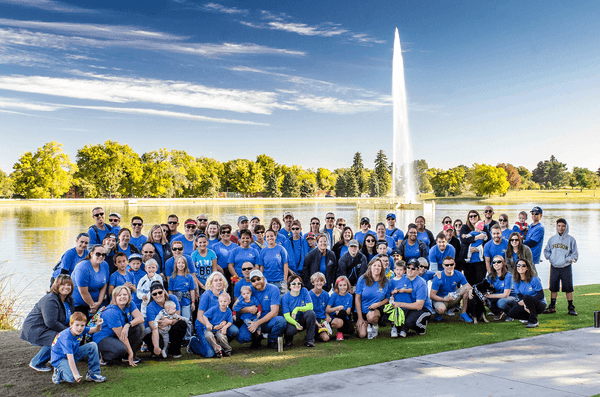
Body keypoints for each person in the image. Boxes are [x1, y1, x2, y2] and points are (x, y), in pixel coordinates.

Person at [21, 275, 75, 372]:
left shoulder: (69, 300)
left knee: (66, 335)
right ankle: (37, 362)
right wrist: (68, 331)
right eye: (62, 284)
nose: (66, 287)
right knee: (58, 337)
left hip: (47, 328)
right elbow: (51, 323)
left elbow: (70, 318)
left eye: (69, 285)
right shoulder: (50, 299)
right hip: (35, 328)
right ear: (56, 285)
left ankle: (54, 356)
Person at [189, 272, 239, 357]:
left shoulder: (224, 295)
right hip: (204, 325)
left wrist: (225, 323)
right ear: (211, 283)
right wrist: (211, 326)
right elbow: (199, 316)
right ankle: (193, 343)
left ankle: (221, 345)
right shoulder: (206, 295)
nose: (219, 282)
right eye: (216, 280)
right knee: (210, 354)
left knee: (234, 331)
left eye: (220, 280)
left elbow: (226, 313)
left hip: (218, 324)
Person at [93, 286, 144, 365]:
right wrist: (131, 353)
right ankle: (104, 356)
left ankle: (126, 356)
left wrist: (128, 325)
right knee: (121, 349)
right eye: (119, 295)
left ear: (129, 296)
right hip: (103, 337)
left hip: (117, 335)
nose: (122, 297)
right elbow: (121, 336)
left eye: (125, 294)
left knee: (140, 327)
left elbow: (140, 318)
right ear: (114, 298)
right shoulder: (112, 312)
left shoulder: (130, 304)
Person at [50, 312, 105, 384]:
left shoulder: (80, 329)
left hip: (73, 352)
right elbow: (70, 359)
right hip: (60, 359)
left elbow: (95, 330)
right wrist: (76, 374)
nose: (79, 328)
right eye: (77, 325)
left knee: (92, 345)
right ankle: (58, 371)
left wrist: (98, 325)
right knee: (72, 379)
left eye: (82, 325)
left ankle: (93, 373)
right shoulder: (66, 338)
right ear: (71, 324)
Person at [237, 270, 287, 349]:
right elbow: (235, 307)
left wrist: (257, 323)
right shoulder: (248, 290)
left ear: (263, 278)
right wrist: (248, 309)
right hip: (252, 320)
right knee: (242, 338)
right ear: (250, 282)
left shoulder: (273, 289)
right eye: (253, 280)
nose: (256, 282)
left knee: (281, 321)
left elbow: (275, 312)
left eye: (258, 279)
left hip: (268, 321)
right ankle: (256, 339)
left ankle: (272, 340)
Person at [543, 218, 579, 316]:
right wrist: (550, 257)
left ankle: (571, 307)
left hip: (565, 267)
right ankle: (552, 307)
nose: (561, 228)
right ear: (556, 226)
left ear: (566, 227)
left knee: (568, 288)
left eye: (563, 226)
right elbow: (546, 251)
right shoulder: (552, 239)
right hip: (554, 266)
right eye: (559, 226)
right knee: (553, 287)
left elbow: (575, 255)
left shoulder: (571, 240)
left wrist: (567, 260)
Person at [144, 281, 187, 358]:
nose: (158, 295)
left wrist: (168, 322)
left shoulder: (173, 298)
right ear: (151, 295)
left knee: (181, 324)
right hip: (157, 331)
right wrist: (156, 346)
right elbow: (153, 327)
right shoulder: (150, 307)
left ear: (164, 291)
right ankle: (155, 349)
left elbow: (177, 317)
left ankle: (174, 350)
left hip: (168, 326)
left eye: (160, 292)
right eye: (154, 294)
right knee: (147, 332)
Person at [391, 258, 432, 337]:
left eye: (413, 268)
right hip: (407, 306)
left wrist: (400, 304)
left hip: (423, 308)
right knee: (397, 317)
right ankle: (400, 328)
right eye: (408, 267)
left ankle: (422, 326)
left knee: (410, 322)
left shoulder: (421, 283)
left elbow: (419, 306)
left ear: (417, 270)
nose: (410, 270)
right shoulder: (401, 277)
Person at [355, 257, 390, 339]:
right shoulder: (362, 279)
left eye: (379, 266)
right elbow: (357, 298)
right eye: (374, 265)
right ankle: (366, 325)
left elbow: (387, 298)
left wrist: (378, 304)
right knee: (362, 335)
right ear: (370, 267)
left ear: (382, 268)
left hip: (376, 310)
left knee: (371, 316)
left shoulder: (386, 281)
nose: (376, 268)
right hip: (362, 310)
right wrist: (360, 318)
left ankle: (374, 325)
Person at [505, 259, 546, 327]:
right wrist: (524, 304)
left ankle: (534, 321)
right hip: (526, 303)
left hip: (539, 304)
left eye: (523, 266)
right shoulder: (515, 281)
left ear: (527, 268)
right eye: (518, 265)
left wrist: (526, 302)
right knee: (511, 313)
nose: (520, 267)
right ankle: (529, 317)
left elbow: (541, 295)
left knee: (527, 297)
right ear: (516, 267)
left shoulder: (534, 279)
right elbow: (520, 295)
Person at [430, 257, 473, 323]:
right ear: (443, 265)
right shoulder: (438, 277)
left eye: (451, 264)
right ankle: (438, 313)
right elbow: (432, 295)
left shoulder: (458, 274)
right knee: (441, 309)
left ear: (454, 264)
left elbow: (469, 286)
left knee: (467, 289)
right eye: (447, 265)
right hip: (441, 299)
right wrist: (445, 299)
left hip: (452, 297)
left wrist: (470, 292)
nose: (449, 267)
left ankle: (463, 313)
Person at [71, 245, 110, 318]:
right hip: (79, 304)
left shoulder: (105, 265)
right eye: (98, 254)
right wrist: (93, 306)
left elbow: (104, 285)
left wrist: (99, 302)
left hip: (96, 303)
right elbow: (83, 292)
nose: (101, 256)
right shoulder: (82, 268)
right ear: (91, 253)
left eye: (103, 255)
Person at [282, 275, 316, 347]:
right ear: (289, 286)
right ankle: (288, 340)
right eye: (293, 283)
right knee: (290, 331)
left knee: (311, 314)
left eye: (298, 283)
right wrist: (295, 323)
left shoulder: (304, 291)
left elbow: (310, 306)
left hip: (302, 319)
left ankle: (309, 340)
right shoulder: (285, 297)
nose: (296, 285)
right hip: (291, 320)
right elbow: (287, 316)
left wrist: (297, 309)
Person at [482, 255, 517, 320]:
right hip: (499, 296)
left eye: (499, 262)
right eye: (494, 262)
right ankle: (498, 313)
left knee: (501, 302)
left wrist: (489, 296)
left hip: (512, 298)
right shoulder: (491, 276)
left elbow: (505, 295)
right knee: (484, 299)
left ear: (503, 263)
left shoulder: (508, 276)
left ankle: (510, 314)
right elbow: (484, 287)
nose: (496, 264)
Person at [168, 255, 197, 331]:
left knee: (187, 319)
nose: (181, 265)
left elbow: (192, 290)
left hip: (186, 302)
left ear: (185, 265)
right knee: (177, 319)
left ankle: (187, 337)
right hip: (176, 302)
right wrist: (170, 303)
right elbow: (170, 291)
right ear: (176, 265)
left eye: (182, 263)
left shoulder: (189, 277)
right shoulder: (172, 277)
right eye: (179, 263)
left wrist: (193, 302)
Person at [459, 210, 487, 285]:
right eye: (470, 216)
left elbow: (488, 240)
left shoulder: (483, 228)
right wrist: (477, 237)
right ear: (468, 218)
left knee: (480, 283)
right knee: (469, 284)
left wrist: (478, 249)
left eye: (475, 215)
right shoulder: (465, 228)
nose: (473, 217)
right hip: (468, 262)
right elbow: (463, 239)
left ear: (478, 217)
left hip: (480, 261)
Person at [259, 229, 289, 294]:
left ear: (275, 237)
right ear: (265, 238)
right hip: (267, 281)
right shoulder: (263, 251)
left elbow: (285, 265)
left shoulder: (281, 249)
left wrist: (285, 279)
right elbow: (261, 267)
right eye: (268, 236)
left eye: (272, 236)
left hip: (280, 281)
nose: (270, 238)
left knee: (282, 300)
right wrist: (262, 279)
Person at [326, 276, 354, 340]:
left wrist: (341, 311)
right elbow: (327, 310)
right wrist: (337, 309)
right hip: (334, 316)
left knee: (351, 330)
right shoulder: (334, 295)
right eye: (340, 285)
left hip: (344, 315)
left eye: (344, 285)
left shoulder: (350, 296)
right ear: (337, 286)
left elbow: (348, 311)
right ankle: (339, 332)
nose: (342, 287)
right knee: (341, 315)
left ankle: (342, 329)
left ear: (347, 285)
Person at [309, 272, 332, 342]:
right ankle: (312, 334)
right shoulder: (309, 294)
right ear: (313, 283)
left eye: (321, 281)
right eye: (317, 281)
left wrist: (327, 316)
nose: (319, 283)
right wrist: (317, 323)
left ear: (324, 282)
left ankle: (319, 334)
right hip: (313, 320)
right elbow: (308, 312)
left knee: (326, 338)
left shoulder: (326, 294)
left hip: (322, 319)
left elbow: (326, 309)